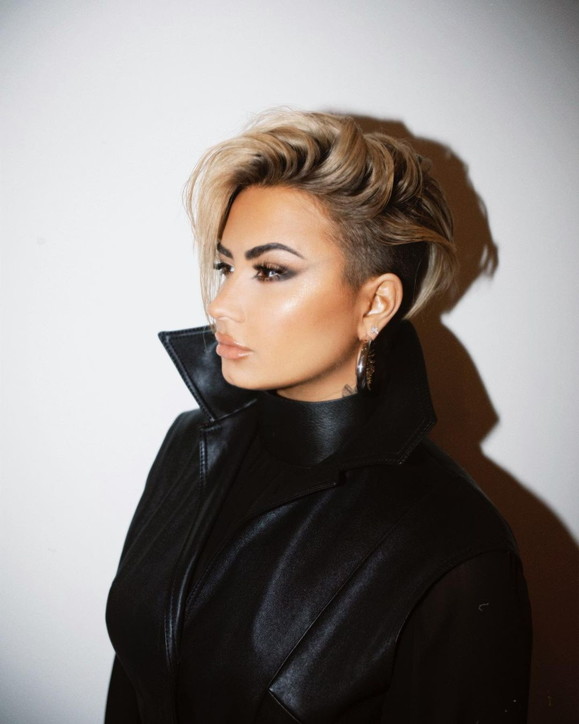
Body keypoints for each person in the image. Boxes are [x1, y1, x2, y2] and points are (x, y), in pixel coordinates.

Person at [105, 110, 532, 723]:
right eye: (226, 266)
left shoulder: (453, 544)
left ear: (375, 303)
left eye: (271, 271)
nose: (221, 304)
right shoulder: (191, 446)